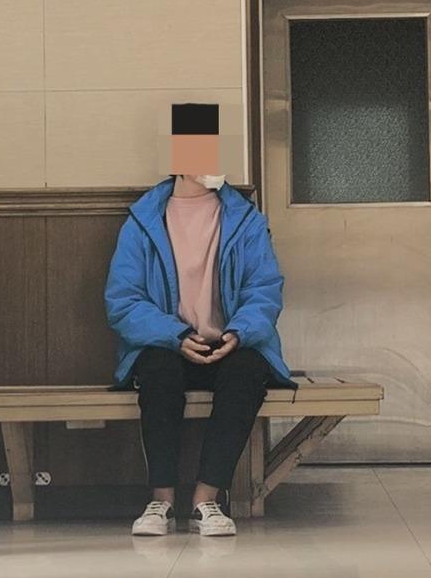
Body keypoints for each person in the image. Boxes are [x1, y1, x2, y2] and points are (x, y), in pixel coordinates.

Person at [105, 104, 293, 538]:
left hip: (230, 343)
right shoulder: (143, 220)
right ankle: (161, 501)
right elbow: (123, 300)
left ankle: (207, 500)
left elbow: (265, 289)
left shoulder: (245, 220)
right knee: (157, 373)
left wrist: (239, 333)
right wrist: (174, 335)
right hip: (167, 343)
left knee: (248, 372)